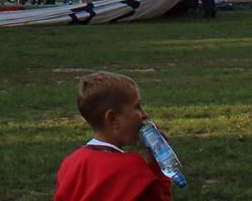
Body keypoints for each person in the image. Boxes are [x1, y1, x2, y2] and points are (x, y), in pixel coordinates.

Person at [55, 71, 172, 201]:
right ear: (113, 118)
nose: (144, 115)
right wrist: (156, 167)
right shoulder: (132, 168)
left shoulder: (70, 164)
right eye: (137, 107)